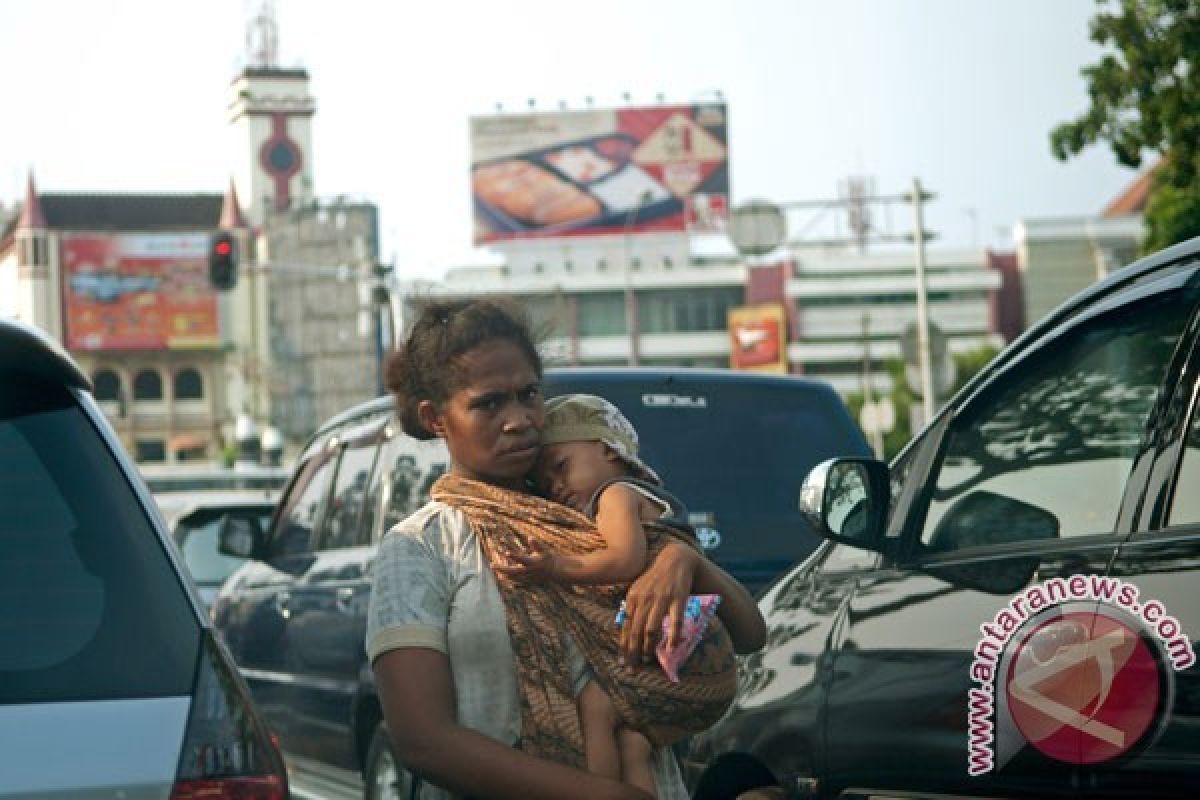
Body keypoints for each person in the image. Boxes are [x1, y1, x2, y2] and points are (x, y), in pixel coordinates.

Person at [367, 297, 767, 800]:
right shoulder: (422, 547)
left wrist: (682, 561)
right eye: (489, 403)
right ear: (435, 418)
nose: (519, 420)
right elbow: (425, 742)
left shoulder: (598, 517)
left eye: (528, 394)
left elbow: (749, 636)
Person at [506, 393, 744, 797]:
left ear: (608, 450)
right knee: (633, 742)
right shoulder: (656, 500)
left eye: (561, 468)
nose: (557, 487)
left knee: (595, 707)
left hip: (683, 651)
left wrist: (554, 566)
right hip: (706, 655)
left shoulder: (615, 495)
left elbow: (625, 559)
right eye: (546, 485)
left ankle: (601, 792)